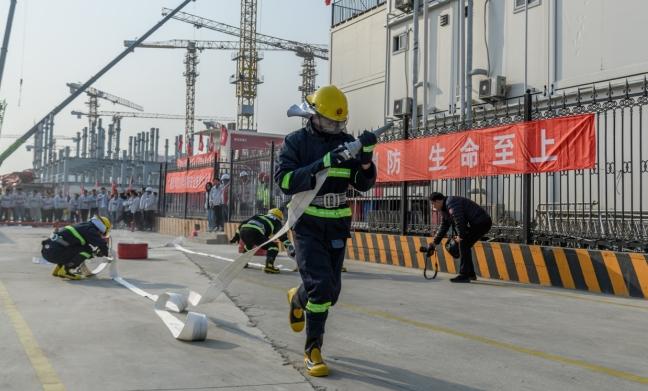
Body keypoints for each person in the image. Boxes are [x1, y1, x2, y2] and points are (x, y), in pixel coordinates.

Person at [274, 85, 378, 377]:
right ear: (314, 116)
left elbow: (362, 184)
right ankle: (313, 349)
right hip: (307, 222)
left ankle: (298, 296)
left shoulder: (347, 142)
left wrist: (367, 159)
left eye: (340, 123)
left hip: (337, 221)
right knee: (321, 288)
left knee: (330, 292)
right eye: (330, 122)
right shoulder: (295, 142)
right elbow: (284, 182)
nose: (336, 127)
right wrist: (323, 163)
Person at [424, 192, 493, 283]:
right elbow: (444, 226)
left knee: (463, 243)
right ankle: (470, 274)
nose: (433, 207)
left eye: (433, 204)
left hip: (481, 222)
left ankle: (464, 275)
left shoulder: (451, 203)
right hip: (476, 224)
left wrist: (460, 236)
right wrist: (434, 243)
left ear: (438, 201)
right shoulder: (445, 208)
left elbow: (459, 220)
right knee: (465, 245)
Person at [41, 216, 111, 280]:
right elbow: (101, 243)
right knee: (87, 251)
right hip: (54, 253)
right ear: (103, 227)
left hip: (47, 251)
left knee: (80, 248)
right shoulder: (91, 230)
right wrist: (107, 254)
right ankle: (66, 270)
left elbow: (77, 247)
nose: (101, 234)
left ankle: (58, 269)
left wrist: (94, 253)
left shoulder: (83, 226)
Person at [229, 208, 295, 274]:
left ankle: (243, 262)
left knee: (249, 245)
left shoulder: (259, 215)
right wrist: (289, 247)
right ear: (279, 217)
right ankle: (269, 266)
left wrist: (236, 237)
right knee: (273, 246)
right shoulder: (276, 221)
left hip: (243, 231)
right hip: (256, 232)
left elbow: (242, 223)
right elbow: (282, 236)